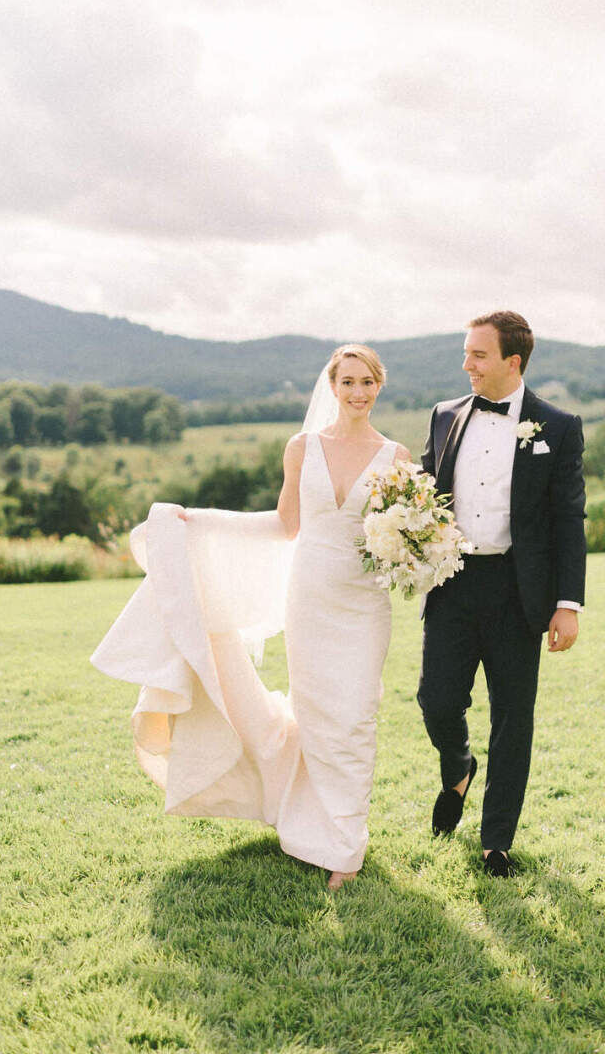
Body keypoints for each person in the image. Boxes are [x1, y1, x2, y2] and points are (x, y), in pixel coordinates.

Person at [91, 343, 409, 892]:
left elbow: (406, 533)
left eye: (367, 382)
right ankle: (322, 829)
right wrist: (202, 521)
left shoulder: (397, 457)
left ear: (379, 387)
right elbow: (285, 524)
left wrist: (417, 549)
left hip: (363, 604)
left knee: (356, 716)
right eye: (348, 382)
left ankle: (346, 846)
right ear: (333, 387)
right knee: (316, 715)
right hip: (308, 598)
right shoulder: (302, 447)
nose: (357, 392)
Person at [417, 311, 587, 878]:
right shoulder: (444, 417)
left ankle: (496, 842)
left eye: (478, 356)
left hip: (520, 592)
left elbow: (568, 521)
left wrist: (568, 603)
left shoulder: (558, 428)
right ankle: (458, 766)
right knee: (436, 700)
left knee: (514, 716)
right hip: (453, 583)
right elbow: (423, 496)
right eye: (466, 353)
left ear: (513, 363)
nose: (466, 365)